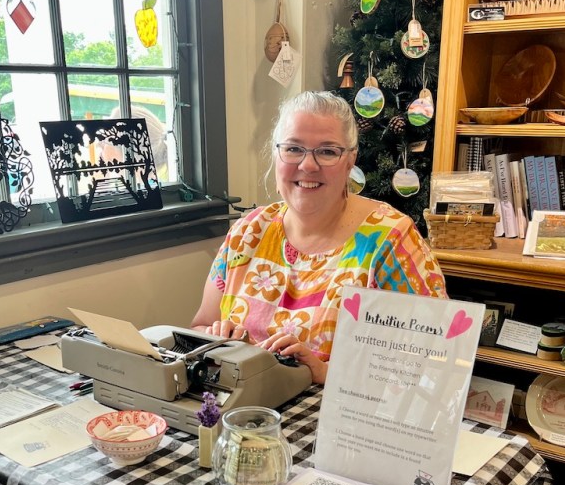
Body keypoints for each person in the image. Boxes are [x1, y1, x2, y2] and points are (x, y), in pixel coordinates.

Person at [191, 90, 446, 384]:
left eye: (327, 151)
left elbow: (433, 364)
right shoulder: (247, 232)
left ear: (350, 160)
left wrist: (324, 372)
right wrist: (217, 338)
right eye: (293, 149)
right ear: (276, 154)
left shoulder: (392, 240)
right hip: (241, 405)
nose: (308, 165)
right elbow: (199, 327)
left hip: (337, 410)